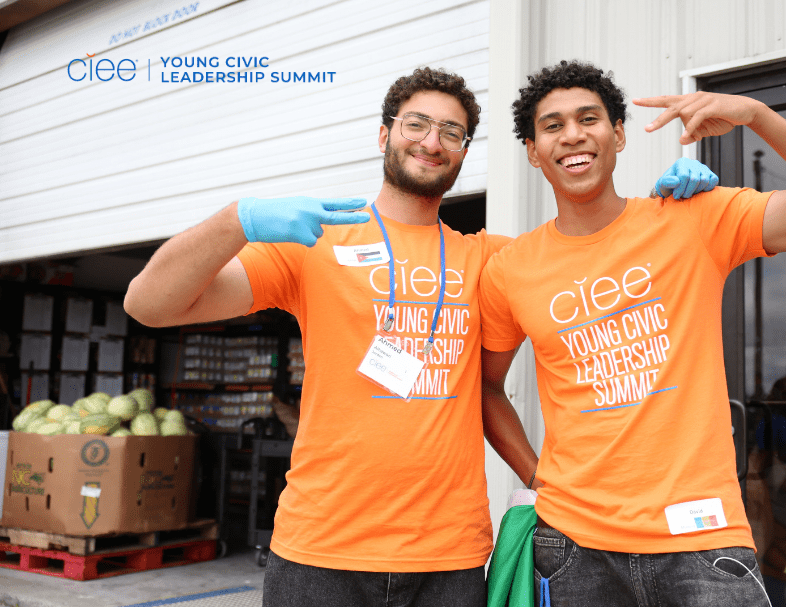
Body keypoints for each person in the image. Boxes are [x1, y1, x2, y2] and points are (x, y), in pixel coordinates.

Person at [124, 65, 714, 607]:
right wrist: (236, 220)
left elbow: (600, 263)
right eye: (417, 124)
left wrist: (669, 210)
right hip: (320, 548)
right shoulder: (316, 245)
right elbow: (149, 305)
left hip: (449, 559)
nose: (432, 142)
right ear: (385, 135)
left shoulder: (492, 260)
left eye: (452, 133)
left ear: (463, 153)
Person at [479, 59, 786, 606]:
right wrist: (537, 475)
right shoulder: (510, 269)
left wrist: (757, 115)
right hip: (573, 546)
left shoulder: (693, 220)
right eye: (552, 125)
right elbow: (486, 387)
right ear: (533, 151)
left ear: (617, 134)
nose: (572, 134)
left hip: (702, 542)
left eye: (589, 118)